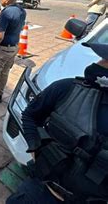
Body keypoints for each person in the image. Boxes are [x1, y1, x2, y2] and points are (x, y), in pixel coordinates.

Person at [7, 42, 108, 204]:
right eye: (102, 58)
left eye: (106, 61)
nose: (98, 63)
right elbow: (30, 115)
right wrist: (35, 147)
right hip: (39, 190)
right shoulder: (67, 88)